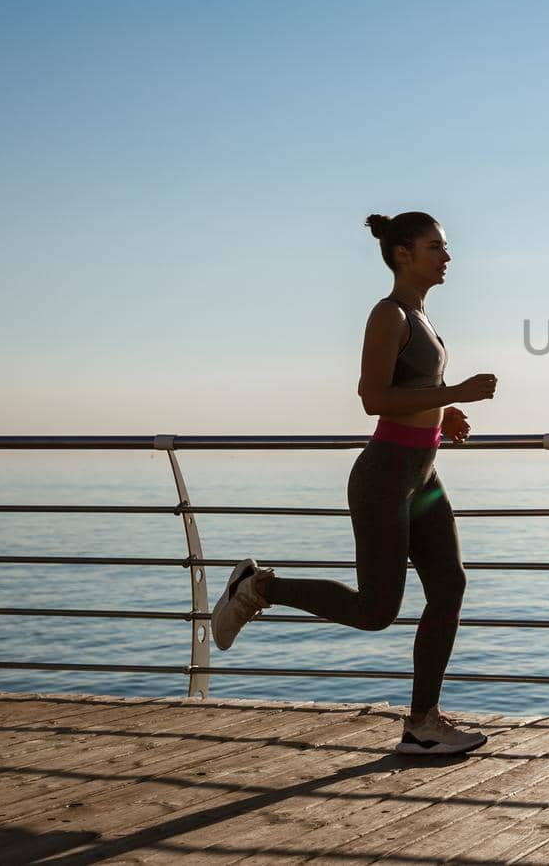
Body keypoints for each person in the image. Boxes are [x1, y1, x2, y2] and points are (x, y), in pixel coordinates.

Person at [209, 211, 500, 755]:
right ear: (402, 254)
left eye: (446, 247)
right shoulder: (388, 315)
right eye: (435, 246)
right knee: (376, 611)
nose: (448, 256)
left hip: (423, 475)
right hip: (386, 475)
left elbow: (413, 388)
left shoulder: (423, 318)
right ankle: (257, 586)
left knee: (450, 586)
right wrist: (452, 390)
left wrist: (446, 409)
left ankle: (422, 725)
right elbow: (374, 398)